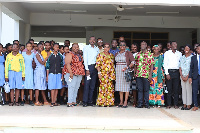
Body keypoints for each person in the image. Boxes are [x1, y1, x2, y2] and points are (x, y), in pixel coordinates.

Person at [134, 41, 154, 109]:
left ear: (146, 46)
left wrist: (150, 75)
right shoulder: (138, 54)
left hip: (146, 75)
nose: (143, 45)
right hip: (139, 74)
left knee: (146, 90)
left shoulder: (150, 54)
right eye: (142, 44)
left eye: (144, 44)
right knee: (139, 89)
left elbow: (151, 65)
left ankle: (146, 104)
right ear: (140, 46)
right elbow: (136, 64)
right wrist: (135, 73)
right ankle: (140, 104)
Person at [115, 41, 135, 108]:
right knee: (120, 87)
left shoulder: (128, 53)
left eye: (124, 45)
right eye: (121, 45)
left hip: (125, 70)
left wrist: (127, 67)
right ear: (119, 46)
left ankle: (125, 102)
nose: (122, 46)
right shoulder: (116, 53)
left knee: (126, 87)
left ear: (126, 46)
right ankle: (121, 101)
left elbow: (133, 62)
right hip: (118, 71)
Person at [164, 41, 182, 109]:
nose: (175, 45)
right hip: (170, 72)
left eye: (176, 44)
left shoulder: (179, 53)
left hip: (177, 72)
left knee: (176, 89)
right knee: (169, 89)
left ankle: (176, 104)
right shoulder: (167, 53)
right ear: (170, 46)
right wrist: (167, 73)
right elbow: (165, 63)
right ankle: (168, 104)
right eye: (174, 44)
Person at [82, 36, 99, 107]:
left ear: (95, 41)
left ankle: (90, 101)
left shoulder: (97, 48)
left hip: (95, 67)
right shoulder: (86, 48)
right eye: (91, 40)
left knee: (93, 85)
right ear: (89, 40)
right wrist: (87, 69)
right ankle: (85, 101)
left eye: (94, 40)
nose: (92, 41)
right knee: (87, 85)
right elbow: (85, 59)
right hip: (89, 67)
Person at [46, 43, 63, 107]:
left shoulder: (60, 56)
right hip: (51, 74)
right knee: (52, 88)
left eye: (58, 47)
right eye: (55, 47)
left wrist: (62, 75)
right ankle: (52, 101)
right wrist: (47, 76)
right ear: (53, 47)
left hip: (58, 74)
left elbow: (62, 66)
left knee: (57, 88)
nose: (57, 48)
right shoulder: (50, 55)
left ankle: (54, 101)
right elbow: (47, 66)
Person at [179, 45, 193, 110]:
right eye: (185, 48)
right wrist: (182, 76)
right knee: (183, 90)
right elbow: (180, 67)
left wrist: (187, 76)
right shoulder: (182, 57)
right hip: (182, 76)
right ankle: (184, 104)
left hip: (189, 76)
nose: (186, 50)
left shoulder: (192, 57)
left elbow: (191, 68)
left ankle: (188, 105)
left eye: (188, 48)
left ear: (190, 50)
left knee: (189, 90)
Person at [189, 44, 200, 111]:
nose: (199, 50)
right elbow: (191, 68)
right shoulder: (193, 57)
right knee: (195, 91)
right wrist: (190, 77)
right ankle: (195, 105)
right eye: (198, 49)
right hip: (195, 77)